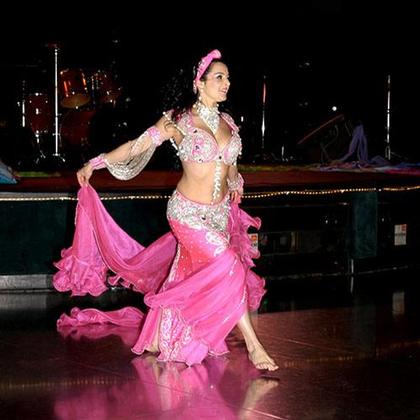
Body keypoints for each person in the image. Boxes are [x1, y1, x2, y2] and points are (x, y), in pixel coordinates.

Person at [54, 49, 278, 371]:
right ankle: (255, 346)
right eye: (219, 77)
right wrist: (96, 163)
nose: (226, 83)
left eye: (228, 77)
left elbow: (230, 167)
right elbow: (136, 146)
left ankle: (166, 335)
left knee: (191, 275)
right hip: (186, 214)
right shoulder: (178, 120)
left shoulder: (229, 123)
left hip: (218, 216)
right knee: (230, 264)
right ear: (199, 83)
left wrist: (235, 181)